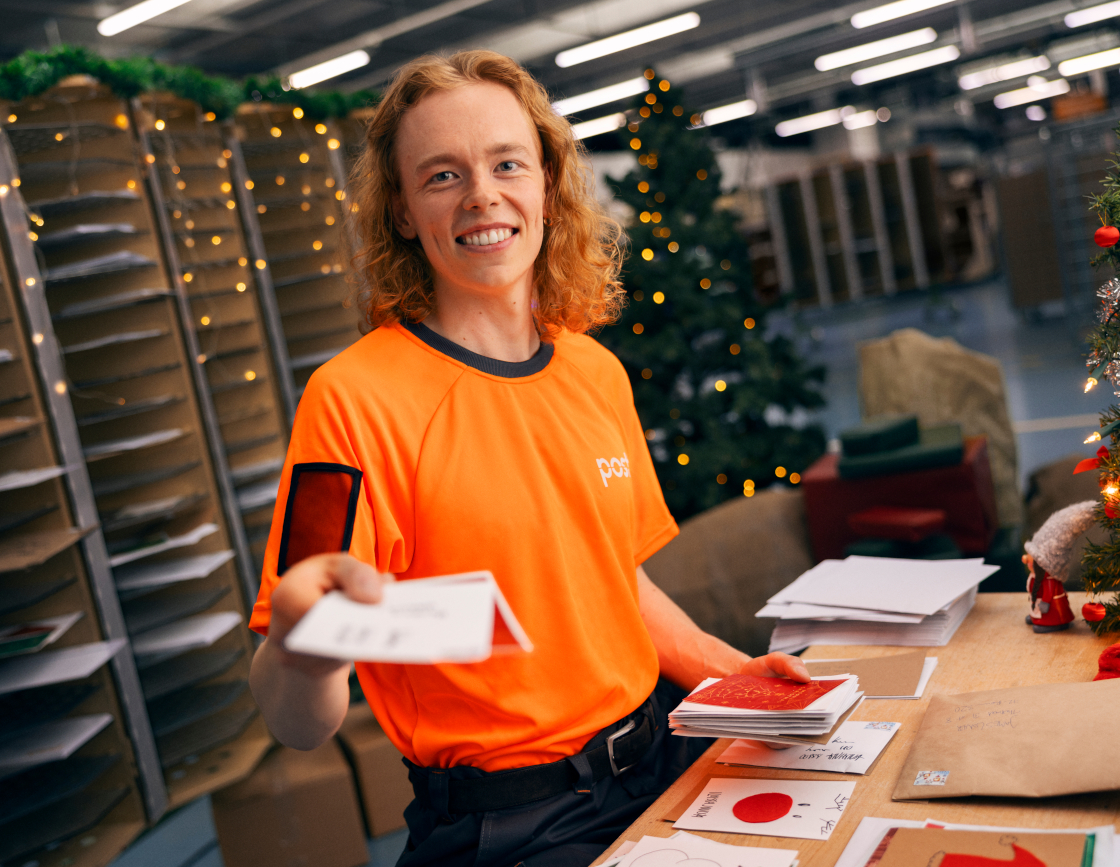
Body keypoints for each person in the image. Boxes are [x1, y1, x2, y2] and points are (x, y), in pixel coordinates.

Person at [248, 50, 809, 867]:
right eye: (441, 175)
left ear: (545, 180)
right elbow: (297, 722)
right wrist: (305, 643)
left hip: (660, 754)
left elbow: (610, 578)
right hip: (511, 825)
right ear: (402, 211)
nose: (482, 195)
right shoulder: (350, 401)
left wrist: (730, 673)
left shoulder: (593, 369)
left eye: (506, 163)